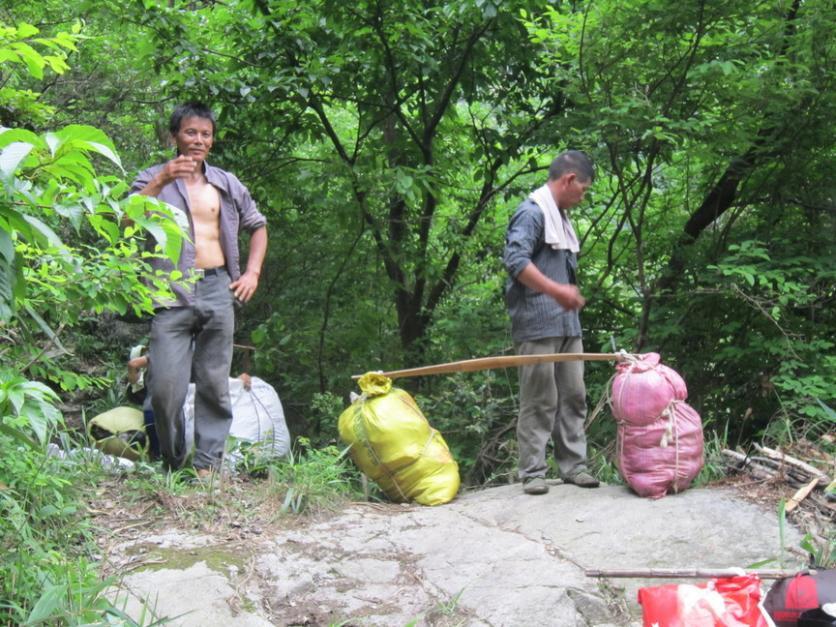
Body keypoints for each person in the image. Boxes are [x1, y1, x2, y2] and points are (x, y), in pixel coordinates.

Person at [130, 102, 268, 477]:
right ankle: (174, 461)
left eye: (205, 134)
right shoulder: (150, 178)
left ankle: (208, 467)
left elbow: (258, 225)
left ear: (212, 140)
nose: (198, 140)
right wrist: (162, 180)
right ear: (174, 136)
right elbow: (126, 218)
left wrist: (251, 272)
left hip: (217, 286)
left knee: (213, 383)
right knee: (164, 389)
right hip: (169, 293)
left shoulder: (226, 183)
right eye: (191, 132)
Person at [502, 150, 599, 495]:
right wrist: (557, 290)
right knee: (539, 398)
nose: (582, 197)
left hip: (567, 326)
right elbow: (514, 260)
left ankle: (574, 466)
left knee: (574, 395)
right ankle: (533, 472)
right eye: (583, 189)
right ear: (569, 180)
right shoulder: (531, 212)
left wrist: (565, 298)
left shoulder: (561, 216)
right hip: (536, 322)